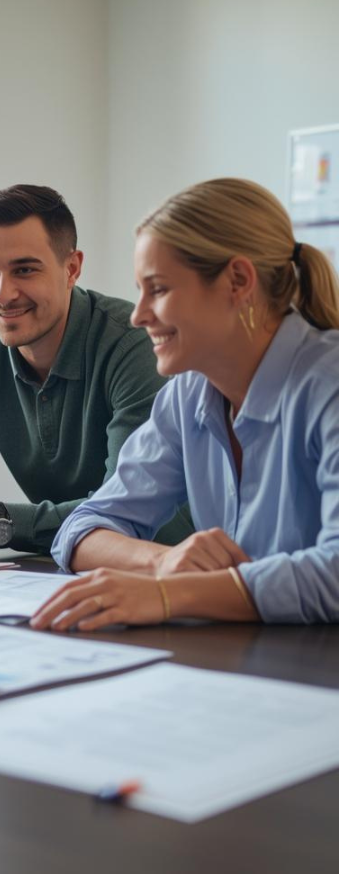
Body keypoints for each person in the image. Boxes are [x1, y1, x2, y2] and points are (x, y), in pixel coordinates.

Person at [32, 178, 339, 630]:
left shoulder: (327, 384)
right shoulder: (188, 394)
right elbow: (82, 529)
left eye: (157, 289)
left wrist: (168, 594)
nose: (137, 316)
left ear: (237, 281)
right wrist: (163, 563)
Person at [0, 184, 192, 556]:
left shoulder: (134, 345)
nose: (2, 294)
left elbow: (122, 513)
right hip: (57, 570)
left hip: (169, 570)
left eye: (24, 270)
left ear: (71, 268)